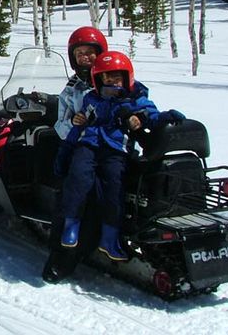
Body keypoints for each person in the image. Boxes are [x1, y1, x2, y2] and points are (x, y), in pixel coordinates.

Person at [58, 51, 185, 261]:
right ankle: (71, 226)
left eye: (116, 77)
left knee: (114, 188)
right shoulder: (92, 97)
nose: (111, 82)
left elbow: (150, 115)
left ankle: (109, 238)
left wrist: (161, 117)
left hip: (116, 149)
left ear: (126, 78)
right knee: (78, 179)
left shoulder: (135, 99)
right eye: (106, 78)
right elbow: (84, 117)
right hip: (88, 144)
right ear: (98, 80)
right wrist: (78, 121)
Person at [54, 26, 108, 142]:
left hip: (114, 143)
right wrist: (72, 122)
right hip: (84, 145)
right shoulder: (72, 89)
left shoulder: (113, 80)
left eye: (89, 53)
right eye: (79, 54)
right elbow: (61, 130)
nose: (84, 57)